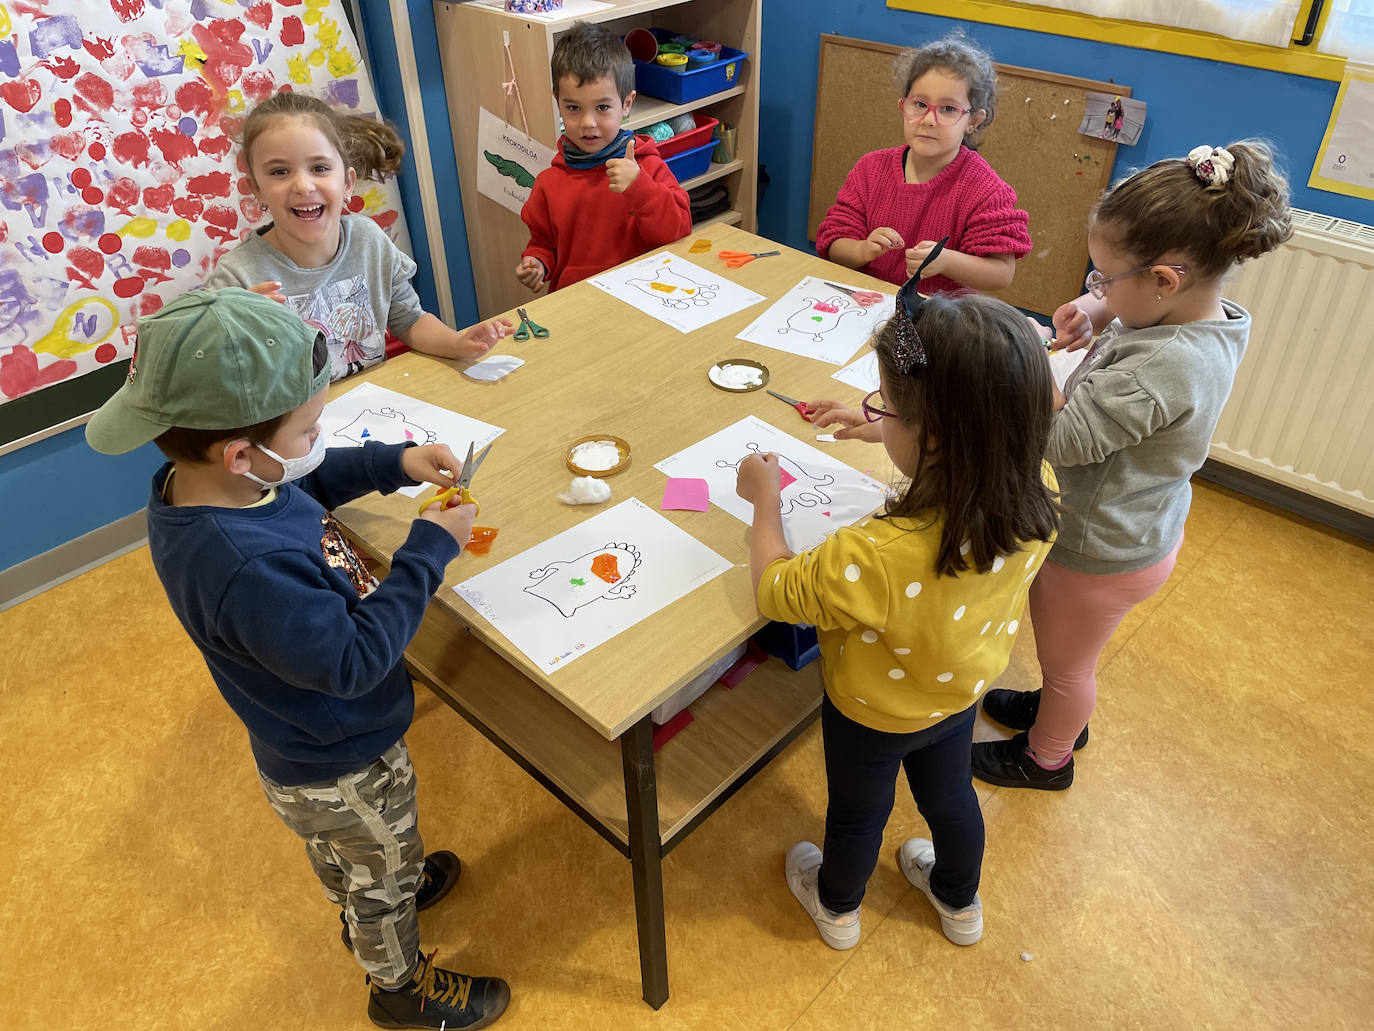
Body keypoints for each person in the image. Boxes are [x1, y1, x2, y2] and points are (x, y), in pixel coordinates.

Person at [84, 287, 511, 1030]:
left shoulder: (211, 488)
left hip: (303, 749)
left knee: (351, 853)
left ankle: (381, 887)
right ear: (241, 452)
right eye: (310, 425)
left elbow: (303, 480)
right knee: (377, 861)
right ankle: (399, 987)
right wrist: (427, 554)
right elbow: (354, 661)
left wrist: (396, 459)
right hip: (341, 757)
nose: (319, 437)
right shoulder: (244, 566)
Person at [737, 282, 1060, 950]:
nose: (878, 415)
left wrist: (763, 502)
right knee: (951, 802)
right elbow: (962, 472)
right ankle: (958, 901)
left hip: (870, 708)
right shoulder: (1038, 494)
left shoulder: (875, 554)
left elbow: (775, 590)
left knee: (858, 814)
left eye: (886, 407)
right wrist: (887, 434)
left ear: (935, 437)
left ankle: (837, 907)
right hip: (955, 694)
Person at [971, 141, 1292, 790]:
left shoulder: (1162, 366)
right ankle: (1055, 713)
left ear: (1165, 279)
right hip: (1135, 524)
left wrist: (1029, 369)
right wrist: (1099, 309)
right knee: (1069, 654)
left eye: (1103, 278)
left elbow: (1061, 439)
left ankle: (1047, 755)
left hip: (1100, 545)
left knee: (1067, 666)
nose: (1097, 289)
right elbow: (1134, 324)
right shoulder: (1203, 317)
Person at [207, 90, 512, 382]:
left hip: (375, 413)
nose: (303, 185)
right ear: (257, 188)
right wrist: (237, 332)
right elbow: (218, 381)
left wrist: (458, 343)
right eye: (279, 172)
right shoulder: (237, 277)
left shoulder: (369, 241)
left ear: (347, 182)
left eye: (319, 168)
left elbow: (409, 321)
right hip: (291, 431)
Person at [815, 33, 1031, 296]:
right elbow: (834, 243)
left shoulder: (985, 190)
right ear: (902, 107)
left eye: (948, 109)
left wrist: (945, 261)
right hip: (864, 306)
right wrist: (863, 249)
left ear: (973, 120)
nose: (929, 119)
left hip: (938, 322)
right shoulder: (870, 169)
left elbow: (1001, 273)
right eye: (919, 104)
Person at [514, 20, 692, 293]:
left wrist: (641, 189)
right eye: (573, 107)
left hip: (643, 297)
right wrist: (538, 262)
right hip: (577, 304)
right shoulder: (548, 183)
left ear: (627, 104)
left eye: (602, 107)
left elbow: (679, 229)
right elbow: (543, 242)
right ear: (557, 102)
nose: (587, 122)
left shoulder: (646, 167)